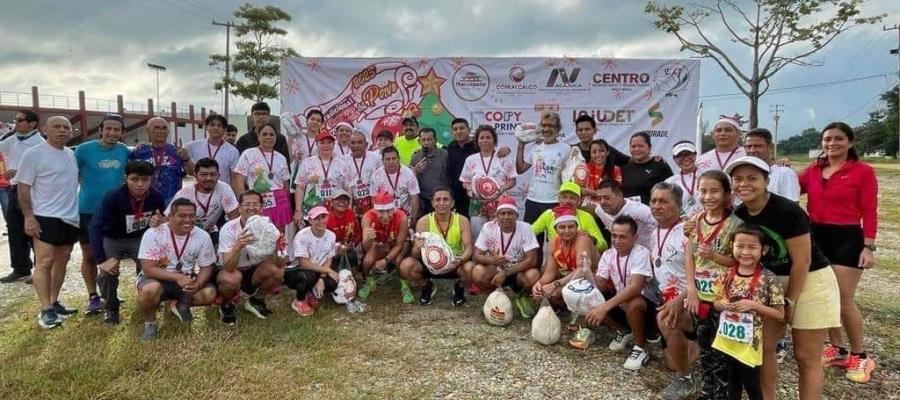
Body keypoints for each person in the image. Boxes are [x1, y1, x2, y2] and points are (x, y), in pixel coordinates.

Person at [728, 156, 840, 400]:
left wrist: (789, 302)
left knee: (805, 355)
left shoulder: (788, 211)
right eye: (738, 179)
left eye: (752, 178)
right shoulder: (738, 214)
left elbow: (803, 262)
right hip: (771, 283)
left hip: (810, 280)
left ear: (767, 181)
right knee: (764, 349)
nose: (744, 184)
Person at [799, 122, 878, 383]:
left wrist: (868, 246)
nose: (832, 144)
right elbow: (789, 186)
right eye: (827, 139)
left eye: (838, 139)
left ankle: (860, 355)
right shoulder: (813, 170)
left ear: (850, 142)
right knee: (825, 297)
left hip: (847, 237)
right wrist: (781, 168)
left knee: (843, 300)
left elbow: (869, 210)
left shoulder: (862, 172)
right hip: (816, 235)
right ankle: (838, 349)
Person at [684, 169, 744, 400]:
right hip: (701, 296)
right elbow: (690, 256)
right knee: (705, 345)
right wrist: (691, 289)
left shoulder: (735, 224)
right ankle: (709, 391)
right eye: (703, 191)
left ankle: (725, 393)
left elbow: (740, 263)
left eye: (714, 191)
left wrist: (715, 257)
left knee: (723, 348)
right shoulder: (696, 220)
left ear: (727, 194)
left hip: (724, 298)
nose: (708, 196)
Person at [16, 116, 80, 329]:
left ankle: (54, 302)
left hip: (70, 217)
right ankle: (45, 310)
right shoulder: (33, 154)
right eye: (56, 126)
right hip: (44, 216)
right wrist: (29, 216)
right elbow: (23, 187)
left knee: (62, 260)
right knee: (44, 262)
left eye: (66, 127)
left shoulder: (71, 154)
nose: (62, 130)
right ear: (45, 129)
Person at [712, 225, 785, 400]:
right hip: (727, 340)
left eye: (752, 247)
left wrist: (754, 305)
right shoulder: (726, 274)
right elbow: (715, 303)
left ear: (764, 249)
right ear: (732, 247)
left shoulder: (769, 278)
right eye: (740, 246)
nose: (745, 252)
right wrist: (720, 304)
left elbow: (780, 315)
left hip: (751, 345)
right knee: (732, 381)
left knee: (752, 384)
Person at [91, 160, 167, 324]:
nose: (140, 184)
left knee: (155, 268)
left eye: (145, 180)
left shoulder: (156, 196)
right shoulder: (113, 196)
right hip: (113, 239)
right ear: (126, 178)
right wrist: (101, 260)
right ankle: (111, 308)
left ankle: (150, 297)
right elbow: (95, 226)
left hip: (139, 238)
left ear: (151, 180)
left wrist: (160, 221)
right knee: (107, 274)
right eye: (134, 179)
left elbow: (164, 219)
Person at [136, 198, 218, 341]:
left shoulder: (202, 236)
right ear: (170, 217)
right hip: (156, 279)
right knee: (150, 291)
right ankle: (150, 324)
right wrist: (178, 278)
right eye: (182, 215)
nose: (188, 220)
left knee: (209, 293)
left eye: (192, 215)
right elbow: (148, 269)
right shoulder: (153, 233)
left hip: (185, 281)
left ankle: (179, 305)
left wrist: (197, 284)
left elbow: (206, 267)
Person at [74, 113, 130, 315]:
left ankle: (109, 294)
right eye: (108, 128)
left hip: (115, 212)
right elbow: (69, 174)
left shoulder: (124, 151)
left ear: (122, 133)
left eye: (117, 129)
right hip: (88, 210)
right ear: (100, 130)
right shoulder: (83, 150)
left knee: (111, 254)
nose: (112, 133)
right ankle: (93, 296)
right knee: (89, 254)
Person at [586, 215, 657, 371]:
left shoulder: (641, 252)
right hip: (621, 304)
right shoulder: (608, 254)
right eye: (614, 236)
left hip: (645, 308)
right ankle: (625, 330)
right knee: (588, 296)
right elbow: (599, 284)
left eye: (623, 237)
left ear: (635, 237)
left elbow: (635, 287)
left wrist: (604, 307)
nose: (617, 241)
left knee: (633, 301)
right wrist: (586, 272)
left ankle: (641, 347)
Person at [649, 183, 697, 400]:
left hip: (693, 299)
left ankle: (685, 379)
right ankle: (696, 346)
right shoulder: (654, 233)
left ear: (678, 205)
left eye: (663, 201)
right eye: (653, 201)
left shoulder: (689, 232)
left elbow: (704, 275)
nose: (657, 206)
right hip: (667, 298)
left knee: (666, 319)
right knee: (670, 360)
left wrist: (681, 298)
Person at [217, 190, 285, 323]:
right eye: (247, 204)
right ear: (239, 207)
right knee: (230, 279)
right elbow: (228, 267)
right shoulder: (228, 229)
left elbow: (280, 263)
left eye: (256, 204)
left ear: (262, 207)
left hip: (255, 270)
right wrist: (238, 246)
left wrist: (280, 249)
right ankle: (226, 305)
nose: (252, 208)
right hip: (234, 270)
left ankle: (256, 300)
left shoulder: (268, 226)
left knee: (278, 270)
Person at [399, 188, 474, 306]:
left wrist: (459, 260)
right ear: (433, 203)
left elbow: (469, 248)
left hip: (454, 263)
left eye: (445, 199)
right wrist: (416, 248)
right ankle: (426, 286)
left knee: (471, 269)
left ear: (452, 203)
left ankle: (459, 288)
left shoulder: (462, 220)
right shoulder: (423, 222)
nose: (442, 203)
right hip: (430, 265)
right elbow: (415, 255)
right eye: (438, 200)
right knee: (405, 266)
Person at [469, 196, 540, 316]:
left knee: (533, 275)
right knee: (477, 272)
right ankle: (494, 297)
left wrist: (506, 273)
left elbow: (532, 260)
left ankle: (522, 297)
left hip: (517, 270)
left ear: (517, 216)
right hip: (495, 269)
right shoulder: (488, 227)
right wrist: (491, 260)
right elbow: (477, 255)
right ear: (497, 216)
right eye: (502, 213)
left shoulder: (526, 228)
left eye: (510, 213)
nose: (506, 217)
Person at [0, 110, 43, 283]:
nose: (16, 123)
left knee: (35, 230)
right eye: (15, 120)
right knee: (14, 229)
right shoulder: (11, 140)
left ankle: (40, 268)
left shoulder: (40, 143)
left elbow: (44, 166)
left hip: (33, 190)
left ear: (32, 123)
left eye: (20, 120)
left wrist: (21, 171)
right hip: (13, 189)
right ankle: (20, 268)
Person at [531, 206, 596, 307]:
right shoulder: (554, 242)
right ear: (555, 229)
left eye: (571, 227)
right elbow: (549, 273)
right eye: (562, 227)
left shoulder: (582, 239)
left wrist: (555, 284)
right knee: (543, 290)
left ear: (576, 227)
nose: (566, 231)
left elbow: (583, 270)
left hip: (591, 280)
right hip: (570, 279)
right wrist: (538, 284)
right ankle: (566, 307)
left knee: (555, 292)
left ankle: (573, 309)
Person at [233, 123, 293, 231]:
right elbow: (239, 178)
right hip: (257, 200)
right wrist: (242, 201)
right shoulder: (249, 154)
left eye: (272, 134)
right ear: (258, 136)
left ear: (276, 137)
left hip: (279, 202)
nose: (268, 137)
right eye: (264, 134)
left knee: (277, 236)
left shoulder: (281, 157)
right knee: (257, 234)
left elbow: (285, 184)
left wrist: (286, 203)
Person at [459, 125, 517, 235]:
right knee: (478, 236)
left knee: (498, 236)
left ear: (494, 140)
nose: (485, 140)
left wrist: (501, 188)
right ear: (477, 141)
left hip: (499, 202)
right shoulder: (470, 160)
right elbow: (464, 181)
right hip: (477, 204)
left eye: (488, 137)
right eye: (482, 138)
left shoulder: (503, 158)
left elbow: (513, 180)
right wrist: (472, 188)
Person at [167, 158, 239, 245]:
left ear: (219, 175)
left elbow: (235, 217)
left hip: (209, 233)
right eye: (203, 174)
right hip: (185, 233)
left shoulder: (224, 188)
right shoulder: (184, 193)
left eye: (213, 174)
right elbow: (169, 219)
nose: (209, 178)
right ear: (195, 175)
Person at [515, 111, 570, 223]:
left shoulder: (566, 149)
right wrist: (521, 145)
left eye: (551, 126)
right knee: (533, 239)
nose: (546, 129)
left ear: (558, 129)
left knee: (555, 240)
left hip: (555, 202)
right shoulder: (535, 147)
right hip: (533, 201)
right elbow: (520, 169)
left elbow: (568, 179)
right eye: (544, 125)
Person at [285, 206, 338, 316]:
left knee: (332, 284)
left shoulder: (331, 235)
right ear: (310, 220)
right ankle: (299, 300)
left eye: (323, 217)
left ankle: (310, 291)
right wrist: (327, 271)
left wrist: (322, 278)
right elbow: (303, 263)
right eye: (316, 218)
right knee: (307, 277)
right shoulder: (302, 235)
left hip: (317, 269)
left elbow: (329, 258)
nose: (321, 221)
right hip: (296, 269)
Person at [357, 191, 410, 301]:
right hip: (380, 244)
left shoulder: (402, 217)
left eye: (389, 210)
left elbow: (400, 244)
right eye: (381, 211)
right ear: (375, 210)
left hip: (398, 244)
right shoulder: (367, 217)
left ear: (394, 208)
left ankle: (405, 285)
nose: (385, 216)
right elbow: (366, 247)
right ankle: (369, 281)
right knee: (367, 261)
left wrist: (385, 261)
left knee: (398, 261)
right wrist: (368, 239)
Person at [293, 131, 352, 225]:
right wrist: (298, 210)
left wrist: (349, 209)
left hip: (336, 210)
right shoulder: (308, 162)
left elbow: (348, 187)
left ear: (334, 145)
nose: (326, 145)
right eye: (322, 143)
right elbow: (300, 187)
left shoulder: (342, 163)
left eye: (329, 143)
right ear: (317, 144)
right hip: (313, 210)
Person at [128, 117, 190, 204]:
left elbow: (193, 173)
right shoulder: (138, 152)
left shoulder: (176, 151)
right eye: (156, 128)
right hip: (146, 201)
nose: (161, 131)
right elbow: (129, 178)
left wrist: (186, 158)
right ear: (148, 130)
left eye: (164, 128)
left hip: (172, 201)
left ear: (168, 131)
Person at [532, 182, 608, 252]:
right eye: (564, 197)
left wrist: (591, 239)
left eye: (572, 198)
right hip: (557, 259)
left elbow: (604, 246)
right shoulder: (548, 215)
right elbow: (530, 232)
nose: (567, 201)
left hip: (580, 259)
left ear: (579, 201)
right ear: (558, 199)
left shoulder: (586, 216)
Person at [593, 181, 657, 250]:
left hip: (647, 252)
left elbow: (664, 224)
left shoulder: (639, 210)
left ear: (620, 195)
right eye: (599, 199)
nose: (602, 202)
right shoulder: (599, 210)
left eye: (607, 198)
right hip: (620, 253)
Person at [744, 128, 799, 201]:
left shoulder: (785, 173)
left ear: (770, 147)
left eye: (757, 146)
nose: (752, 150)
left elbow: (793, 207)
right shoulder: (742, 174)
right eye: (749, 146)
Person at [185, 114, 240, 186]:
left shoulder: (233, 151)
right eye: (212, 125)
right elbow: (183, 152)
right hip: (200, 191)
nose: (215, 128)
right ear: (207, 127)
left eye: (219, 125)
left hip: (222, 193)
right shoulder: (194, 146)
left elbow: (234, 179)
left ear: (224, 130)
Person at [621, 132, 673, 204]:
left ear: (649, 147)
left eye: (641, 146)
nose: (636, 149)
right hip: (628, 213)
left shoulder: (660, 165)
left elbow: (672, 191)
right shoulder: (625, 168)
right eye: (633, 146)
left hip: (654, 212)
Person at [370, 146, 420, 219]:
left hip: (405, 214)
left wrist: (413, 219)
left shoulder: (408, 173)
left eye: (394, 158)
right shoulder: (376, 175)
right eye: (388, 159)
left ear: (399, 159)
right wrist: (378, 218)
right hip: (385, 215)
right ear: (382, 161)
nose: (391, 162)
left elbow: (414, 197)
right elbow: (374, 199)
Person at [409, 128, 450, 217]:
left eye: (429, 139)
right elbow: (409, 182)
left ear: (435, 140)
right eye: (423, 140)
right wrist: (415, 171)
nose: (426, 143)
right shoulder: (415, 157)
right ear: (419, 141)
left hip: (442, 200)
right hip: (423, 201)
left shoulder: (445, 155)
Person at [341, 131, 382, 215]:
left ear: (366, 145)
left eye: (360, 142)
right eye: (353, 143)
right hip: (352, 202)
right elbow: (345, 185)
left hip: (373, 201)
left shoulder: (376, 158)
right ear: (349, 145)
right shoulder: (343, 161)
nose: (356, 146)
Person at [446, 118, 478, 218]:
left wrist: (505, 150)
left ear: (468, 130)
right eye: (455, 129)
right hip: (456, 193)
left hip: (474, 193)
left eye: (461, 128)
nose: (458, 131)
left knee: (475, 224)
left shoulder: (478, 146)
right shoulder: (451, 146)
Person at [664, 141, 702, 216]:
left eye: (688, 154)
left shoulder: (707, 177)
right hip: (681, 225)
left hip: (707, 224)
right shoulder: (670, 182)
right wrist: (682, 217)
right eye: (680, 155)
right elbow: (667, 206)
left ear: (695, 155)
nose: (685, 158)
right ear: (674, 159)